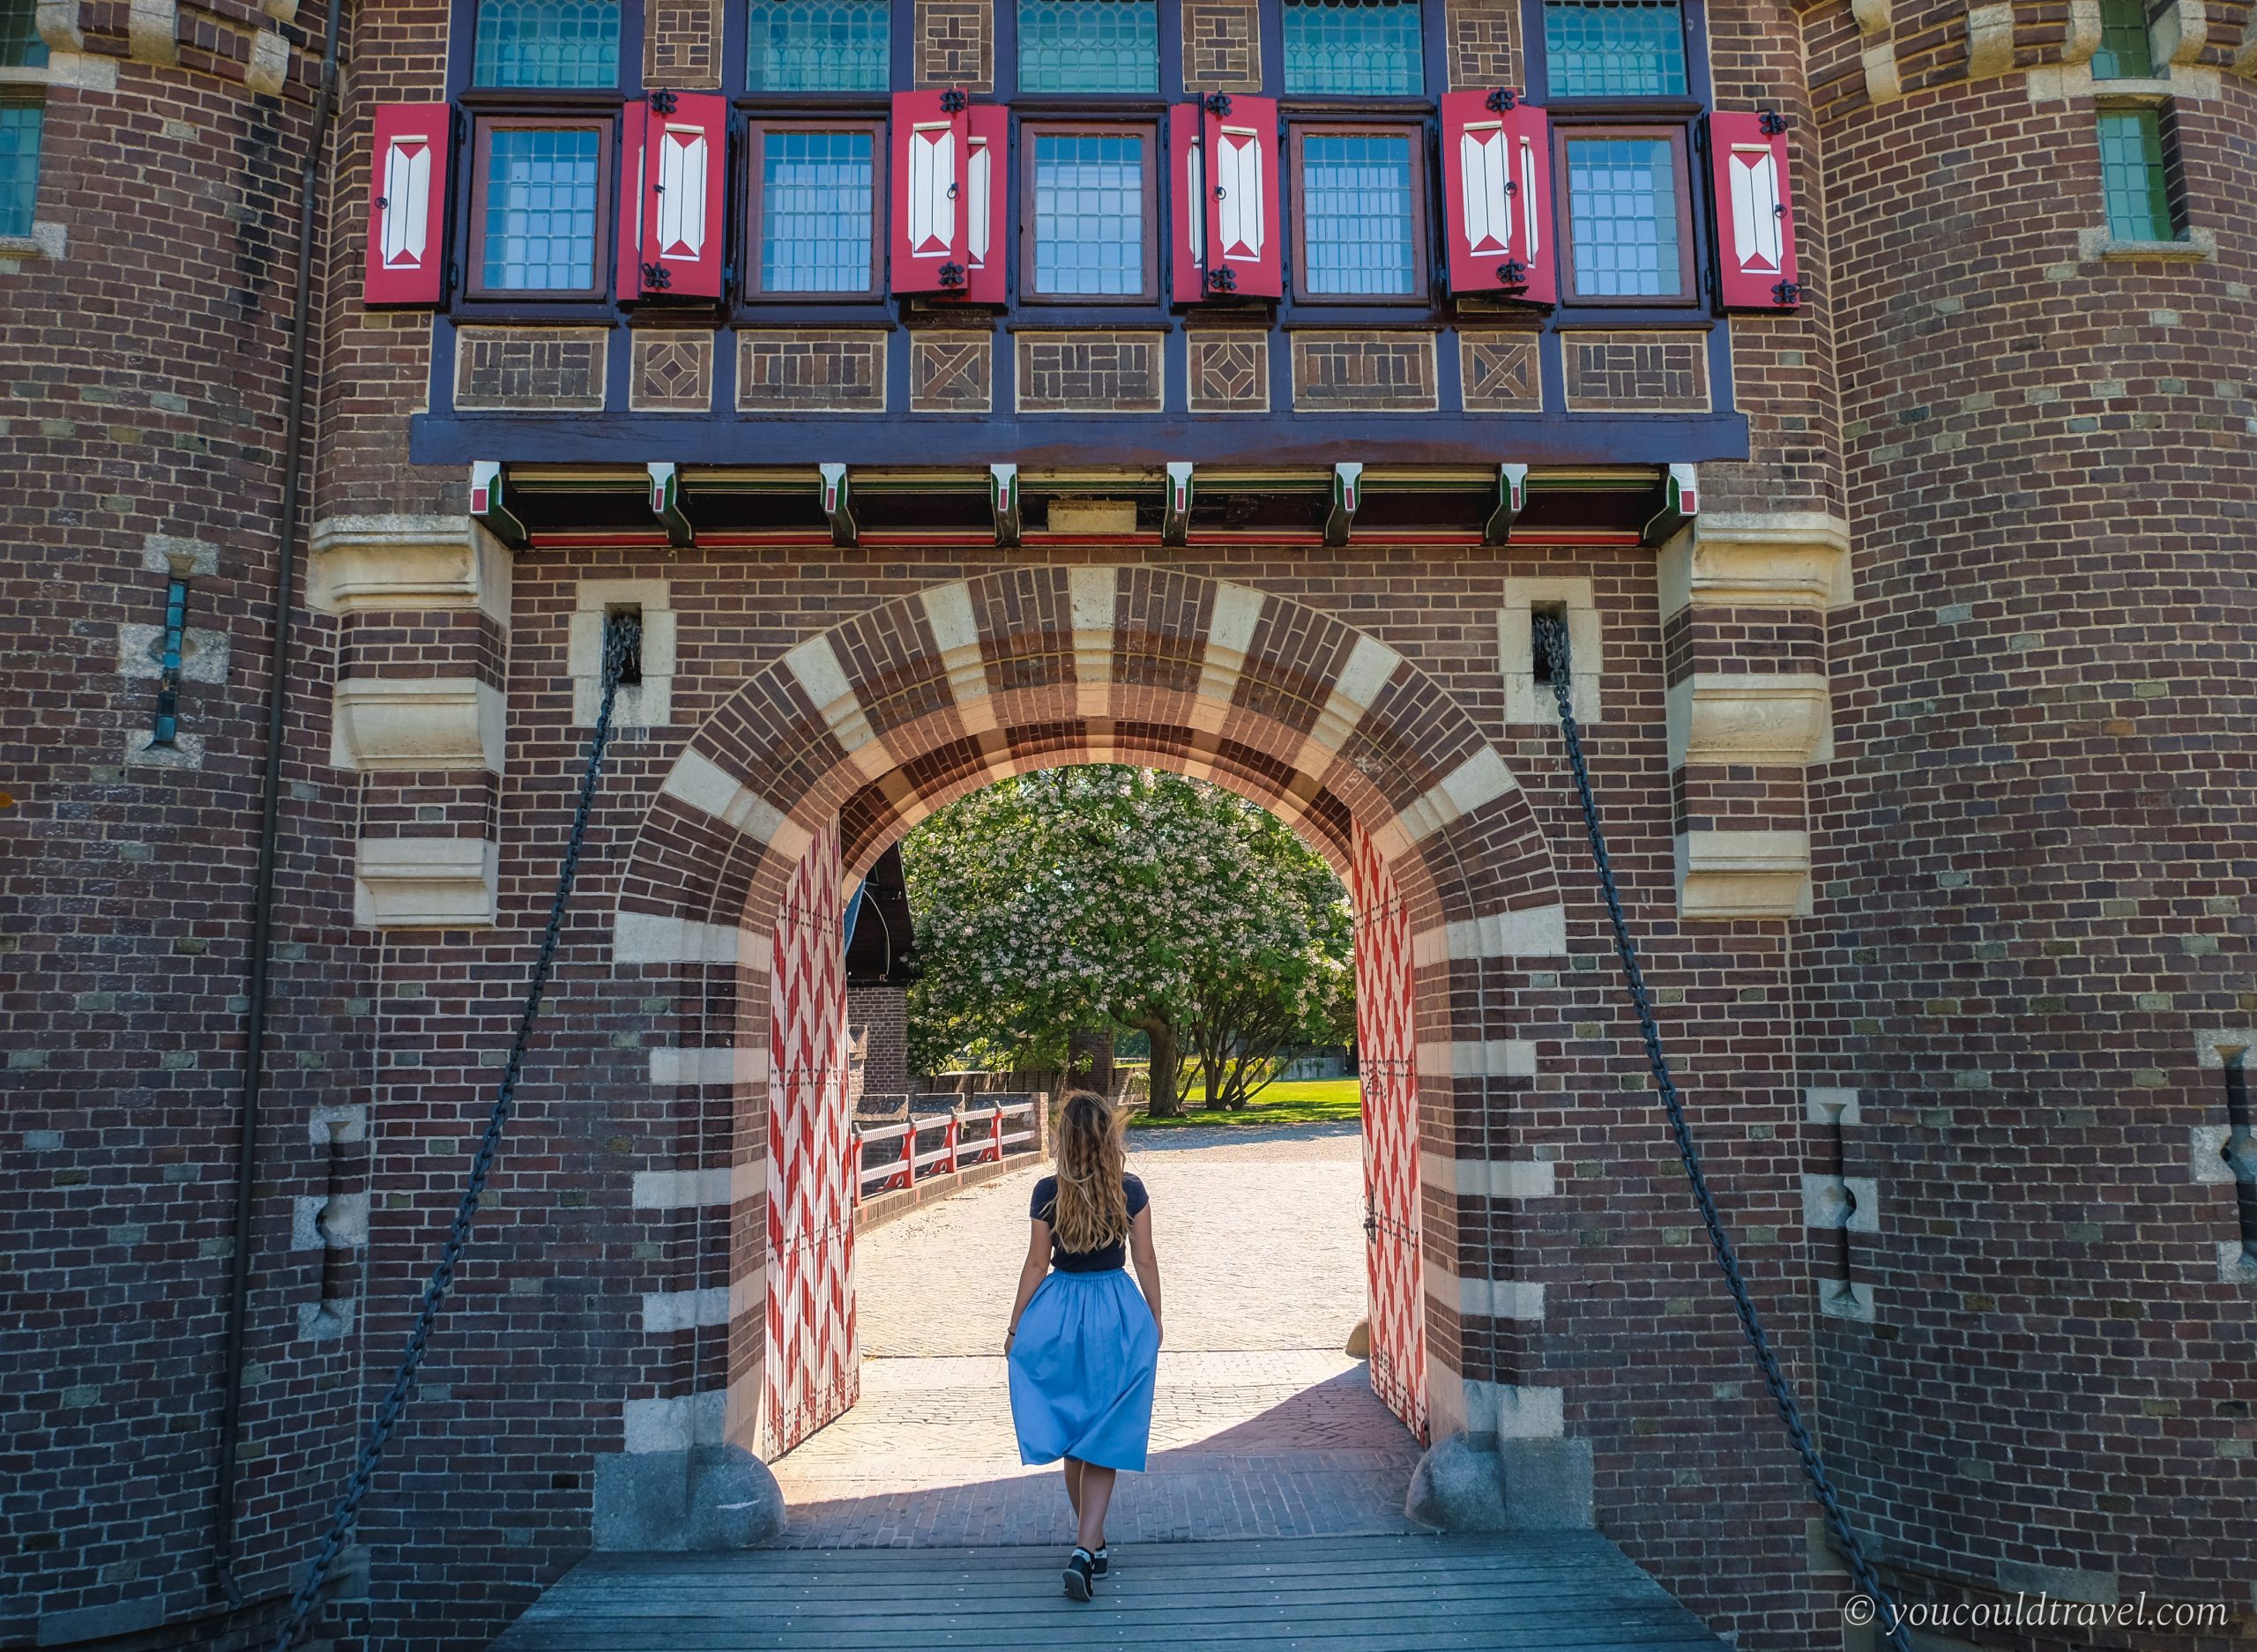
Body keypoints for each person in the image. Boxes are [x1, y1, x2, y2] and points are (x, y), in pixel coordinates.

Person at [1004, 1089, 1163, 1601]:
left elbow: (1034, 1263)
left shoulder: (1047, 1192)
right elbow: (1145, 1259)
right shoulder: (1130, 1190)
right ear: (1107, 1136)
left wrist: (1015, 1327)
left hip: (1059, 1312)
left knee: (1075, 1431)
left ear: (1064, 1140)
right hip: (1114, 1311)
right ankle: (1086, 1546)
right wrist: (1155, 1319)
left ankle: (1089, 1544)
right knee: (1106, 1432)